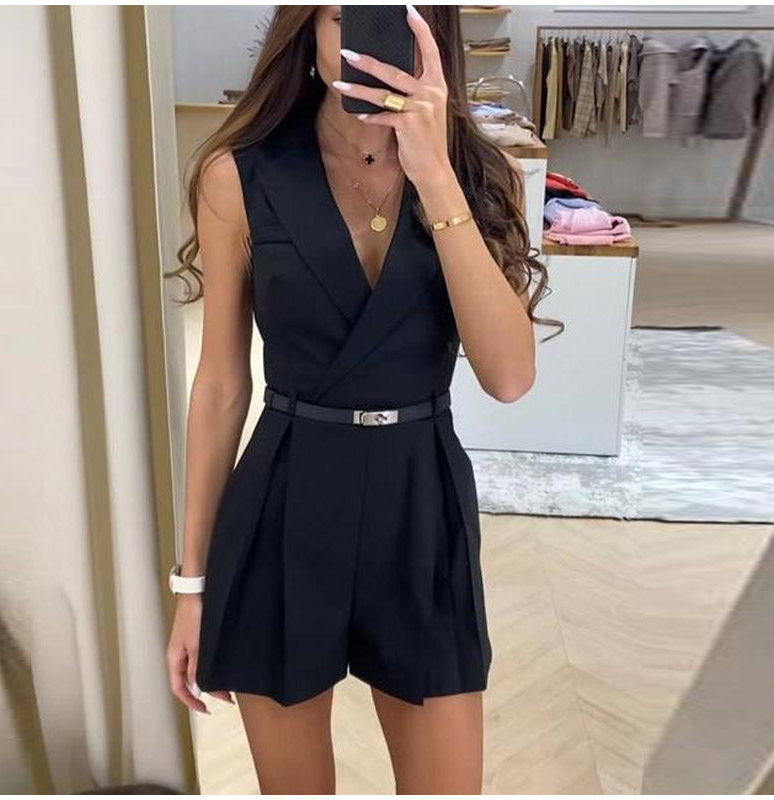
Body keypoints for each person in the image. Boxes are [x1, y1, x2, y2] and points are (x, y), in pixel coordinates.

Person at [166, 4, 554, 794]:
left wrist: (434, 172)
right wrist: (192, 587)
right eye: (345, 17)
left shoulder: (482, 176)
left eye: (391, 17)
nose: (364, 43)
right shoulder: (239, 174)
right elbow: (222, 385)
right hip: (285, 496)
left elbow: (510, 377)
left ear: (431, 34)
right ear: (308, 31)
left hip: (421, 499)